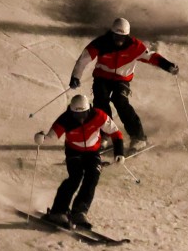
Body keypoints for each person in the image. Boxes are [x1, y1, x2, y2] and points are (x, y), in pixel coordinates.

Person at [69, 18, 177, 149]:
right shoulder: (101, 43)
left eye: (122, 37)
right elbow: (83, 59)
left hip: (122, 79)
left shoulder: (135, 46)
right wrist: (75, 77)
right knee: (101, 100)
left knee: (120, 101)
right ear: (112, 33)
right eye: (116, 36)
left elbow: (151, 57)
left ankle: (138, 137)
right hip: (102, 77)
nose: (118, 40)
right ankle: (104, 135)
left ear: (127, 36)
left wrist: (168, 66)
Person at [35, 94, 124, 229]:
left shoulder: (98, 115)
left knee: (92, 177)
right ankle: (58, 211)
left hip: (93, 152)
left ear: (89, 110)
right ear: (71, 112)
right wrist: (42, 138)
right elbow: (52, 137)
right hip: (74, 152)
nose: (81, 119)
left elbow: (115, 132)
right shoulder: (65, 119)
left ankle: (79, 211)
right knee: (75, 177)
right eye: (77, 115)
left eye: (83, 114)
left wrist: (119, 152)